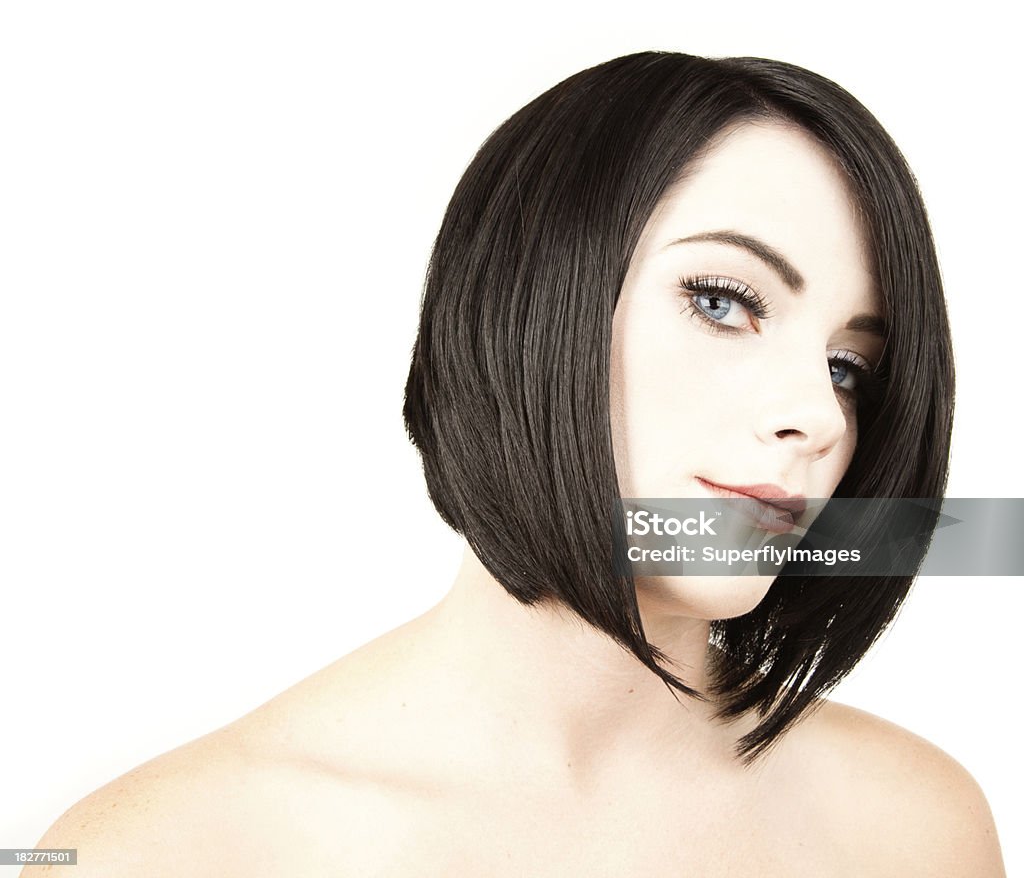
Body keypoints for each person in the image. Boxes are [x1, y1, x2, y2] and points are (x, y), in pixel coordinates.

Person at [29, 52, 1005, 876]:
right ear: (534, 301)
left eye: (848, 367)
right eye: (722, 301)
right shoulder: (171, 852)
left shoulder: (911, 830)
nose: (814, 415)